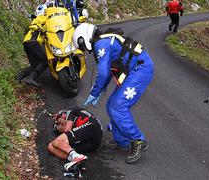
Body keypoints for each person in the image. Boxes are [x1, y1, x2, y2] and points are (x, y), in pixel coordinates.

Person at [72, 23, 154, 164]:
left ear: (83, 38)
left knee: (118, 105)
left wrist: (94, 91)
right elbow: (111, 69)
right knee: (112, 104)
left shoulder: (100, 43)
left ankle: (137, 140)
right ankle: (122, 141)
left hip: (141, 69)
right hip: (136, 69)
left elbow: (104, 72)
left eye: (82, 46)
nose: (85, 50)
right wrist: (100, 90)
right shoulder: (104, 40)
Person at [47, 107, 103, 171]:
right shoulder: (76, 126)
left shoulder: (71, 112)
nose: (59, 125)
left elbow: (67, 130)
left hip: (92, 126)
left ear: (63, 115)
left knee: (57, 142)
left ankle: (76, 156)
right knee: (51, 146)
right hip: (94, 143)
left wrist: (61, 129)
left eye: (60, 123)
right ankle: (76, 159)